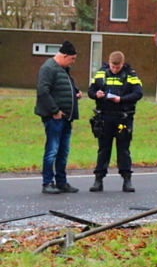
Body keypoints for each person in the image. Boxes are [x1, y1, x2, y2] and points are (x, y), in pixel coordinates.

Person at [88, 51, 143, 192]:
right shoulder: (101, 73)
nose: (115, 69)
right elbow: (91, 91)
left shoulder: (131, 75)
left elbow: (138, 93)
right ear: (109, 63)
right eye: (113, 67)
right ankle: (98, 180)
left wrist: (121, 99)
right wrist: (96, 95)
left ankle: (127, 180)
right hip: (104, 117)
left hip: (123, 117)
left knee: (123, 150)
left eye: (117, 68)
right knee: (103, 150)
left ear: (122, 64)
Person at [35, 41, 83, 194]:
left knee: (63, 151)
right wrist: (54, 110)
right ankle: (47, 182)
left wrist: (75, 94)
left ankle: (61, 182)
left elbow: (62, 88)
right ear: (64, 56)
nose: (73, 62)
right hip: (54, 117)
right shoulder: (48, 68)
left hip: (67, 117)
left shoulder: (63, 69)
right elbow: (43, 91)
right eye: (72, 59)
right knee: (52, 150)